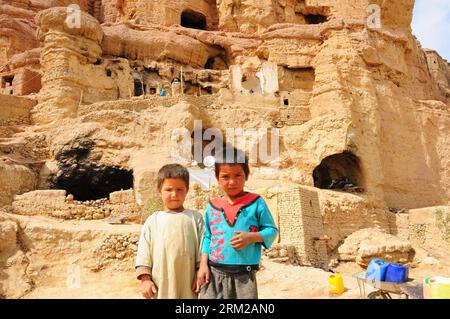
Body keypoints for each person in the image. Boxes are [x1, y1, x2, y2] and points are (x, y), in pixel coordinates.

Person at [196, 148, 278, 299]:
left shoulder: (256, 203)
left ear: (246, 175)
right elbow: (208, 237)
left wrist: (252, 237)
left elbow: (272, 230)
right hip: (213, 274)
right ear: (217, 177)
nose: (232, 182)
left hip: (244, 277)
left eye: (238, 175)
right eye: (225, 176)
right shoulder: (213, 206)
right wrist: (203, 265)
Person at [135, 164, 204, 299]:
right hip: (159, 285)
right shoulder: (152, 221)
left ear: (187, 190)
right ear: (159, 191)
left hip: (188, 284)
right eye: (168, 189)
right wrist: (145, 280)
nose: (174, 194)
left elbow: (202, 250)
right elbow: (144, 253)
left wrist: (199, 273)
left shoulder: (195, 218)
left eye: (179, 189)